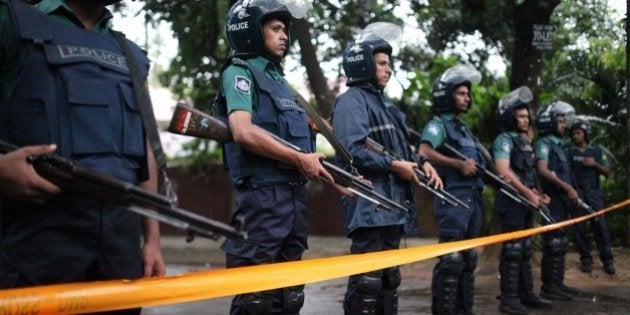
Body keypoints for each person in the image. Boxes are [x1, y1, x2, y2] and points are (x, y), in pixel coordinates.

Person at [0, 0, 165, 313]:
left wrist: (152, 240)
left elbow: (144, 148)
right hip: (32, 246)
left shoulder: (131, 55)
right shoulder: (10, 23)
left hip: (120, 250)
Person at [216, 1, 333, 314]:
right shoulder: (240, 73)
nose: (284, 36)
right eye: (276, 29)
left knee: (289, 296)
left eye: (285, 29)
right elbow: (242, 131)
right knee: (255, 298)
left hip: (294, 199)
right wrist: (298, 159)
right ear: (252, 31)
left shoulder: (283, 85)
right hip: (262, 200)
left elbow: (304, 151)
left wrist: (339, 177)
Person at [331, 22, 442, 315]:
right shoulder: (350, 102)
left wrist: (423, 164)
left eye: (389, 64)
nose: (388, 69)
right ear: (363, 64)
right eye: (381, 63)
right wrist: (394, 166)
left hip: (392, 203)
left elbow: (403, 152)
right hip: (369, 204)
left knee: (388, 279)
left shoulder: (387, 107)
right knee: (368, 280)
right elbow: (352, 152)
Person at [418, 64, 484, 315]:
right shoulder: (438, 125)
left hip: (473, 198)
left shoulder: (463, 129)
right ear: (447, 96)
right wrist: (458, 164)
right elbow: (424, 152)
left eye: (468, 94)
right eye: (461, 93)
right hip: (453, 196)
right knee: (451, 260)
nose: (467, 98)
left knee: (468, 259)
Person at [492, 86, 552, 314]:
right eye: (521, 116)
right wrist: (528, 193)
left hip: (526, 203)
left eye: (527, 116)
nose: (526, 120)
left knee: (525, 249)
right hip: (511, 203)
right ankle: (509, 299)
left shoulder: (525, 141)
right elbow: (504, 172)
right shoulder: (504, 140)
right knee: (513, 249)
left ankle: (526, 294)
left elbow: (530, 174)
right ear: (510, 117)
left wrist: (538, 192)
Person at [534, 101, 581, 301]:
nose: (564, 125)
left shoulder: (560, 145)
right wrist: (567, 188)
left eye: (563, 121)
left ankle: (558, 284)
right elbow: (543, 170)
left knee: (561, 243)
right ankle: (549, 287)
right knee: (553, 243)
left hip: (562, 201)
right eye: (560, 121)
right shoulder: (544, 143)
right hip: (552, 200)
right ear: (549, 123)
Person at [566, 119, 615, 274]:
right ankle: (586, 260)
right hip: (577, 193)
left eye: (579, 133)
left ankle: (607, 260)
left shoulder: (596, 151)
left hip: (594, 193)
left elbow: (607, 172)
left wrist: (595, 164)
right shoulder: (569, 152)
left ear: (586, 134)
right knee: (580, 228)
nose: (576, 136)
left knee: (600, 226)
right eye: (573, 134)